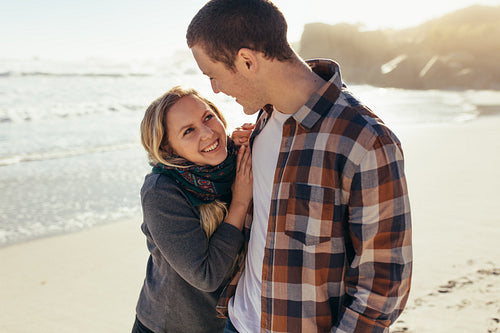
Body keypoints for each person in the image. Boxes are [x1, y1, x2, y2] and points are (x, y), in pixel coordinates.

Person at [186, 1, 413, 332]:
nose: (215, 90)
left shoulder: (366, 142)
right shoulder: (264, 118)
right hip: (236, 321)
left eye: (214, 76)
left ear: (247, 61)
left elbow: (382, 287)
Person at [132, 86, 253, 333]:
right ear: (168, 149)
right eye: (189, 131)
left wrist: (249, 144)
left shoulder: (232, 163)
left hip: (229, 322)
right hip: (169, 326)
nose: (208, 133)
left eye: (208, 117)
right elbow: (205, 276)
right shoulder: (161, 191)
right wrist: (239, 203)